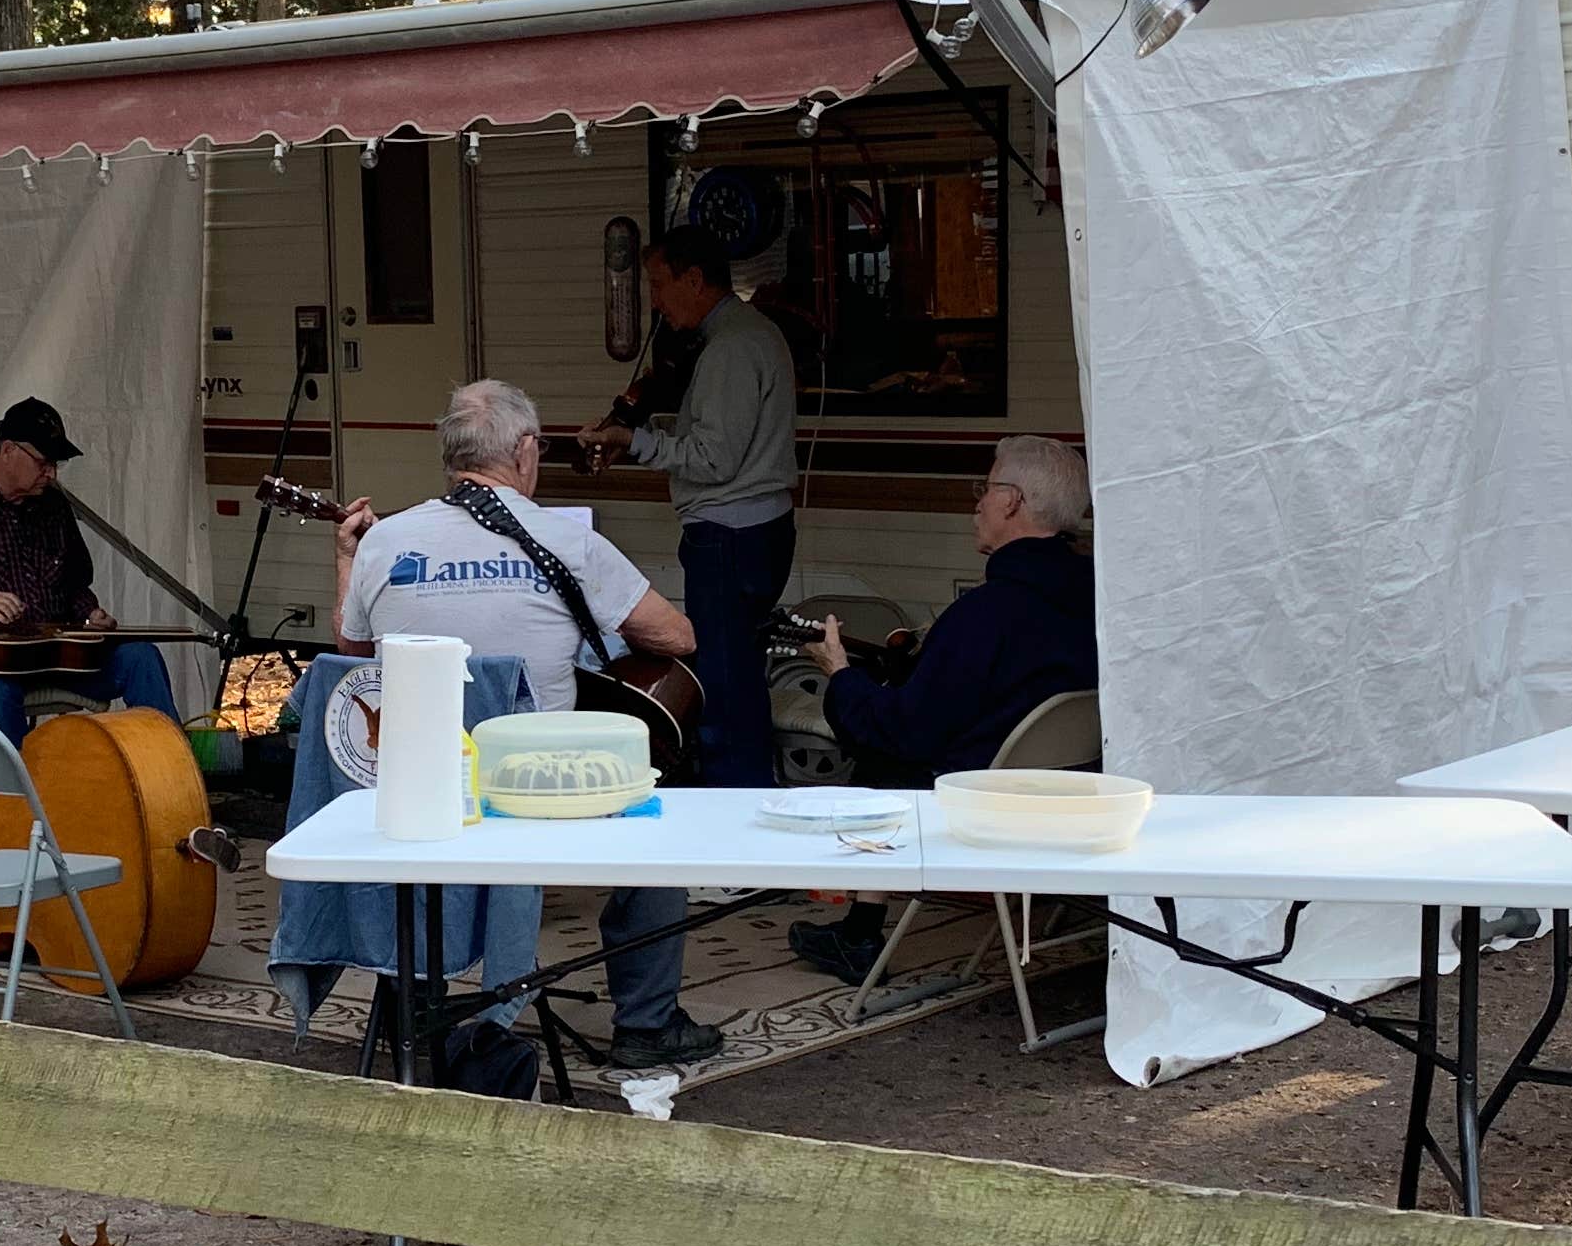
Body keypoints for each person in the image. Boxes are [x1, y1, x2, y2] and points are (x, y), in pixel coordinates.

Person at [333, 380, 723, 1073]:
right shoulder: (566, 540)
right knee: (658, 833)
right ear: (524, 451)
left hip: (420, 805)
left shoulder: (384, 542)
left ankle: (413, 1000)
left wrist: (346, 562)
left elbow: (354, 657)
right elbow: (680, 637)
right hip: (534, 802)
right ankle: (646, 1022)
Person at [790, 434, 1103, 983]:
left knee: (883, 763)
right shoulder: (1099, 595)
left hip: (983, 797)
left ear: (1011, 502)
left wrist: (840, 675)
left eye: (986, 488)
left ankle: (861, 933)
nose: (977, 502)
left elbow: (904, 730)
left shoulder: (987, 613)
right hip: (1077, 790)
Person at [583, 223, 796, 787]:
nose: (654, 300)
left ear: (695, 279)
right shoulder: (750, 336)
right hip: (757, 529)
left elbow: (714, 459)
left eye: (659, 284)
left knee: (724, 684)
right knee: (740, 672)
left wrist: (636, 441)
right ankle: (748, 794)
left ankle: (733, 807)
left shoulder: (730, 348)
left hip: (730, 536)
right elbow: (719, 436)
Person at [0, 398, 176, 747]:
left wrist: (89, 613)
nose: (51, 473)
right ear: (7, 450)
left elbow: (74, 583)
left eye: (56, 463)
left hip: (55, 657)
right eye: (43, 462)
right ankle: (22, 795)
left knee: (140, 657)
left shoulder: (53, 506)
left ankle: (167, 773)